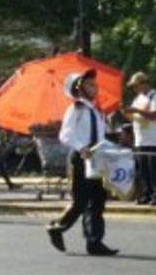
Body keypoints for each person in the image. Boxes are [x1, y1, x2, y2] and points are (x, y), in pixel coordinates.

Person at [46, 70, 119, 257]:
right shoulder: (75, 108)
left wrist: (114, 149)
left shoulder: (97, 111)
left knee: (98, 200)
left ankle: (94, 241)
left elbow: (100, 137)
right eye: (90, 85)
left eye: (95, 84)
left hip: (97, 158)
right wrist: (81, 148)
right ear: (79, 89)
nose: (95, 88)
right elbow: (65, 135)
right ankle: (57, 227)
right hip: (80, 158)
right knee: (80, 201)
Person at [124, 72, 156, 207]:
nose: (135, 89)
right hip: (141, 140)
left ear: (145, 84)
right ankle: (147, 194)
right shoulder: (138, 99)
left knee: (155, 171)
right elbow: (133, 119)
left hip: (155, 141)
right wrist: (126, 112)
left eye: (136, 86)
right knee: (143, 171)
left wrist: (137, 111)